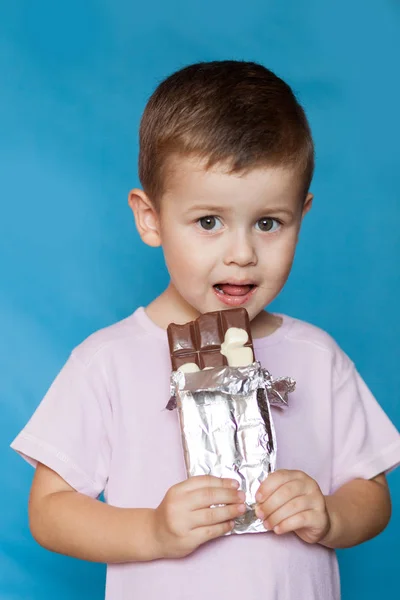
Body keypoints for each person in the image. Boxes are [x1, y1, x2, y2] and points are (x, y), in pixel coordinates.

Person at [11, 60, 400, 600]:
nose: (241, 255)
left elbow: (372, 492)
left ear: (301, 216)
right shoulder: (106, 361)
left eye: (268, 223)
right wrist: (151, 530)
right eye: (209, 221)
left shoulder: (318, 356)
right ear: (150, 218)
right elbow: (50, 512)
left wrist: (330, 515)